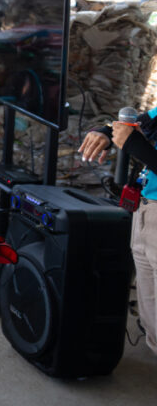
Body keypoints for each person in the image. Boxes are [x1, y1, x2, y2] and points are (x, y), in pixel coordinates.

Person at [81, 110, 157, 356]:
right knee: (151, 321)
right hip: (146, 211)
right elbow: (139, 123)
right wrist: (106, 132)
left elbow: (135, 138)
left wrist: (133, 144)